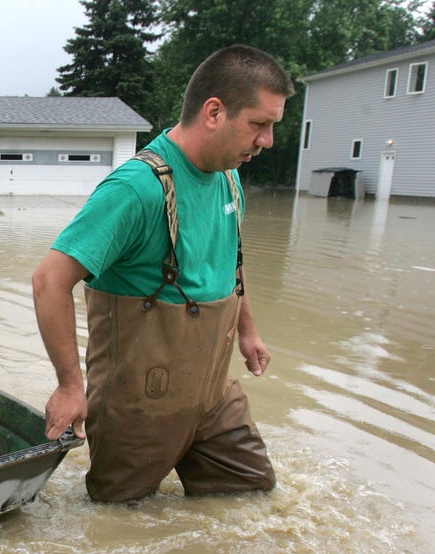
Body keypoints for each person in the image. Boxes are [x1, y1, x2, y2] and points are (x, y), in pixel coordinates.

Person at [32, 45, 294, 502]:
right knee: (117, 523)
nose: (267, 140)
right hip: (139, 407)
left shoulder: (229, 177)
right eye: (259, 124)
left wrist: (248, 329)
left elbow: (232, 259)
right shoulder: (136, 189)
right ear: (214, 112)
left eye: (272, 126)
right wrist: (71, 387)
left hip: (214, 391)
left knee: (251, 494)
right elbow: (49, 280)